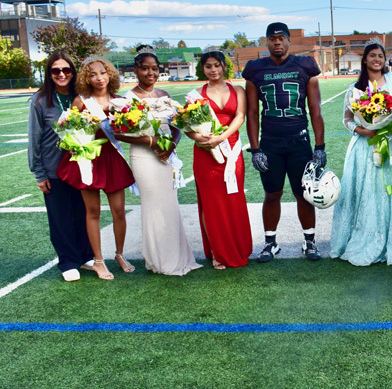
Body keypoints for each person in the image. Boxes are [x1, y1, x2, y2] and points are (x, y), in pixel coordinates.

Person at [330, 39, 392, 265]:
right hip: (366, 148)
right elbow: (346, 119)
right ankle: (367, 238)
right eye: (372, 55)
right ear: (365, 60)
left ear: (385, 60)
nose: (377, 59)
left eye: (380, 56)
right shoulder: (356, 88)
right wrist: (362, 130)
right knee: (369, 193)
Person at [244, 22, 326, 262]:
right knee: (272, 194)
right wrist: (255, 149)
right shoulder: (255, 69)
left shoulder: (304, 66)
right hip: (270, 143)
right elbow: (252, 113)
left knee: (303, 194)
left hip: (299, 141)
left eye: (281, 38)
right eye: (272, 39)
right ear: (266, 41)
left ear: (288, 41)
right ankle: (270, 243)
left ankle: (309, 241)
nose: (277, 42)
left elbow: (315, 110)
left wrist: (320, 147)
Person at [122, 46, 201, 276]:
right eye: (145, 68)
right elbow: (121, 133)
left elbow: (176, 126)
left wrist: (172, 145)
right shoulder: (127, 98)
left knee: (169, 205)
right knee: (153, 207)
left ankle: (176, 257)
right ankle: (158, 260)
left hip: (166, 156)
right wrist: (150, 141)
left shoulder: (165, 95)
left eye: (155, 69)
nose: (151, 73)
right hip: (144, 157)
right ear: (135, 70)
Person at [56, 57, 135, 280]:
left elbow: (129, 132)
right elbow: (70, 132)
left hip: (112, 159)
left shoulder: (120, 101)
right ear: (86, 79)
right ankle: (99, 261)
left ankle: (119, 254)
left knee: (119, 211)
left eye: (102, 72)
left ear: (110, 74)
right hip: (89, 160)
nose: (99, 78)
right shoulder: (81, 101)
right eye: (92, 74)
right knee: (93, 212)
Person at [28, 52, 96, 281]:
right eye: (55, 70)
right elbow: (34, 138)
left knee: (82, 212)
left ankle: (85, 255)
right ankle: (68, 261)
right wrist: (39, 173)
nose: (61, 74)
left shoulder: (81, 97)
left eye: (66, 70)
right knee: (60, 218)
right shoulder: (40, 100)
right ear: (49, 74)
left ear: (72, 72)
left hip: (80, 165)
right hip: (53, 168)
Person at [186, 50, 252, 269]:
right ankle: (217, 251)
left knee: (234, 199)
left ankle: (238, 247)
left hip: (231, 151)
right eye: (208, 66)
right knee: (211, 203)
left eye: (217, 65)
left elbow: (240, 116)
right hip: (206, 154)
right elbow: (186, 125)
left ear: (224, 66)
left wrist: (222, 138)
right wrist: (198, 137)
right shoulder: (195, 94)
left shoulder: (238, 90)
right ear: (203, 69)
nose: (213, 70)